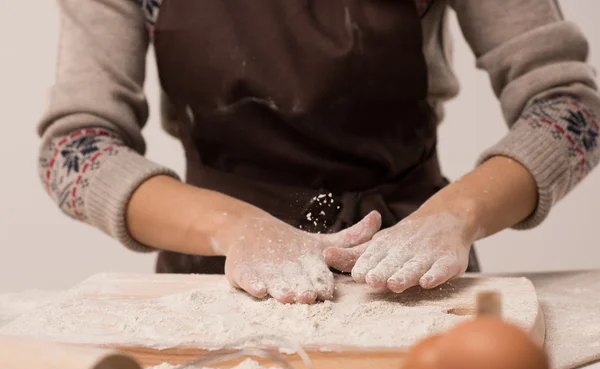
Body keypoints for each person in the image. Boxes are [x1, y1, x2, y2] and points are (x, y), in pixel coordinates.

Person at [38, 0, 600, 304]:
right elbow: (74, 147)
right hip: (217, 280)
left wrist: (455, 215)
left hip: (410, 275)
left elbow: (571, 106)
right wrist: (234, 228)